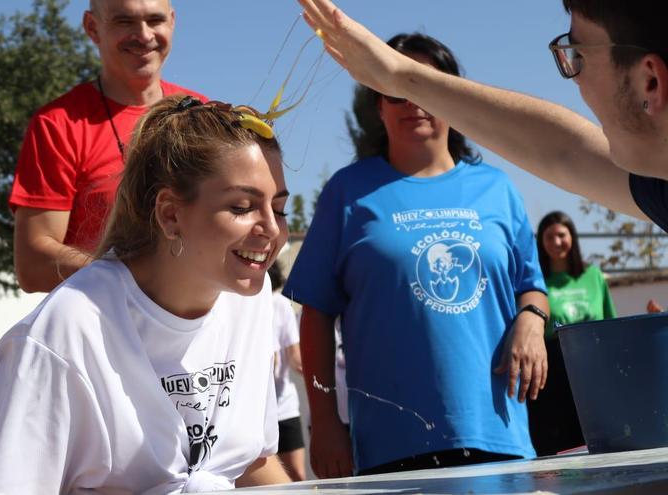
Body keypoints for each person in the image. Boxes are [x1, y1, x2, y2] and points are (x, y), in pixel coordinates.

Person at [0, 95, 292, 494]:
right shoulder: (66, 331)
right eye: (242, 206)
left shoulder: (250, 298)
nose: (272, 229)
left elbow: (250, 464)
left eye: (279, 209)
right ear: (170, 214)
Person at [282, 33, 549, 479]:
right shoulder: (347, 193)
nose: (414, 102)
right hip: (391, 446)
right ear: (378, 105)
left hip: (499, 435)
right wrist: (325, 421)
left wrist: (533, 320)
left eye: (427, 84)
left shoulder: (498, 189)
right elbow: (316, 315)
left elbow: (532, 288)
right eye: (397, 89)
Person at [296, 0, 668, 233]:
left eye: (579, 57)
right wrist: (400, 77)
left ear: (650, 81)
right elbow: (564, 152)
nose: (575, 79)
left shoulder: (493, 189)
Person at [11, 0, 207, 292]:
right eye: (124, 22)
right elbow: (33, 265)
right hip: (102, 327)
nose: (143, 35)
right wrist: (135, 273)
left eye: (155, 20)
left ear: (172, 21)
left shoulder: (203, 115)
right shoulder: (58, 125)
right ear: (92, 27)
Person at [528, 211, 616, 456]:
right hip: (552, 370)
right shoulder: (536, 282)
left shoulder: (593, 276)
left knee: (596, 438)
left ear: (572, 237)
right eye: (549, 237)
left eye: (561, 235)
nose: (556, 242)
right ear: (541, 242)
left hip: (592, 366)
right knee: (558, 443)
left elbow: (609, 322)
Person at [268, 260, 307, 482]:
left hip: (283, 407)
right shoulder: (234, 302)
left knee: (297, 476)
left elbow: (295, 357)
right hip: (251, 412)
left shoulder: (279, 303)